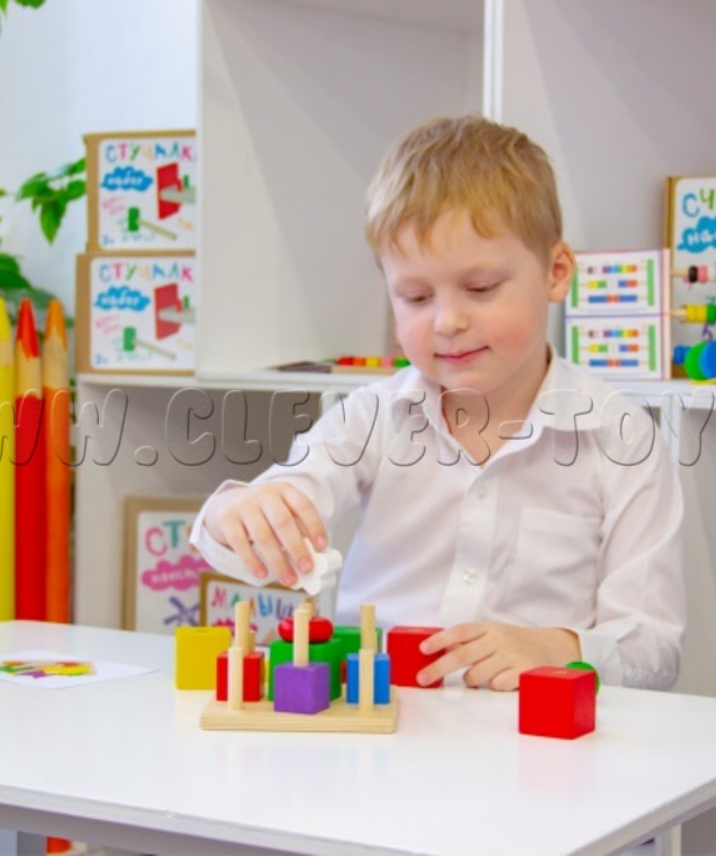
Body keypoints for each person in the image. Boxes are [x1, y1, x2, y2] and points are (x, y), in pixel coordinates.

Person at [191, 115, 684, 691]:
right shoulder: (370, 417)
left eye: (480, 289)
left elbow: (654, 652)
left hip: (529, 731)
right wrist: (235, 513)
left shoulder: (620, 437)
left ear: (555, 272)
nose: (447, 321)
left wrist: (561, 648)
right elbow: (259, 522)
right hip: (383, 719)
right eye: (416, 297)